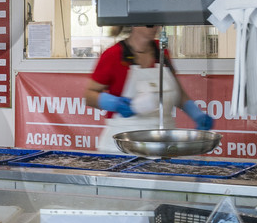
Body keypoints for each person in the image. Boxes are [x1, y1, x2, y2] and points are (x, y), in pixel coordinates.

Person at [84, 24, 216, 153]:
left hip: (164, 142)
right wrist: (114, 103)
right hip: (124, 145)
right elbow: (89, 95)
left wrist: (196, 114)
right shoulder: (113, 55)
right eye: (149, 24)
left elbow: (178, 94)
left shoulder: (162, 53)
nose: (155, 27)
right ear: (134, 24)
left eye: (157, 23)